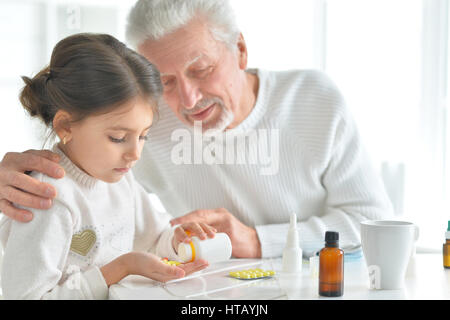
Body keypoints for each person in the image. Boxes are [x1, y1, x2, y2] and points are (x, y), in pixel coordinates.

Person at [0, 0, 394, 259]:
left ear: (240, 50)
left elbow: (371, 219)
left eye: (201, 70)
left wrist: (257, 242)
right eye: (166, 81)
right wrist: (22, 176)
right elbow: (83, 160)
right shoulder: (148, 121)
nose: (188, 100)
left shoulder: (314, 98)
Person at [0, 33, 212, 299]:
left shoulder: (120, 179)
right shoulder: (47, 196)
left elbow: (153, 240)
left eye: (143, 135)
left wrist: (177, 241)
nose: (134, 153)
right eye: (119, 138)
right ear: (66, 126)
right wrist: (121, 268)